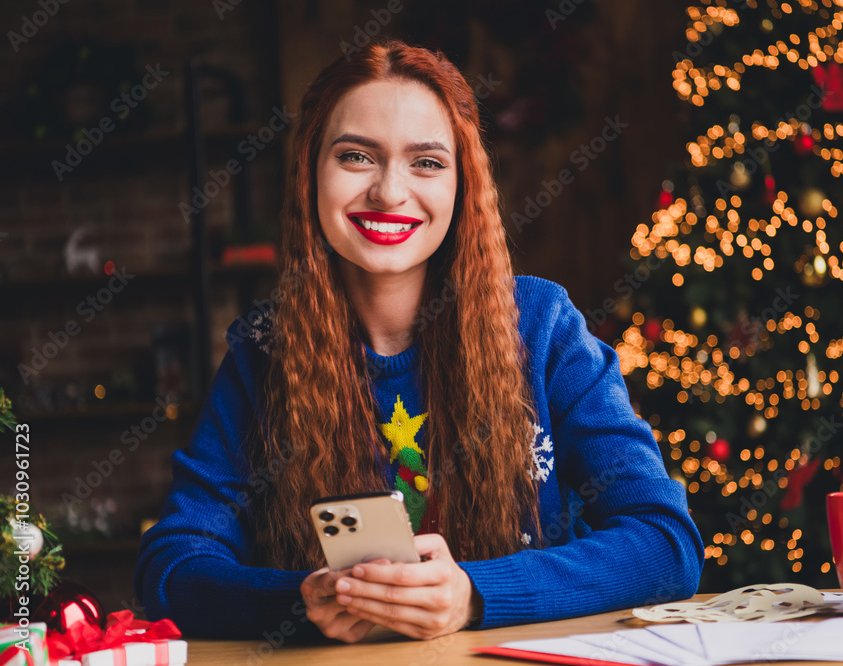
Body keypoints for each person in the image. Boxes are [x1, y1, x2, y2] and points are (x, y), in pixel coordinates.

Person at [134, 39, 703, 643]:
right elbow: (170, 566)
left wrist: (476, 595)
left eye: (426, 162)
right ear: (309, 172)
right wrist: (301, 602)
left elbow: (664, 541)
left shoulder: (541, 326)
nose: (388, 191)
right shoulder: (262, 351)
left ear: (462, 185)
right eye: (356, 156)